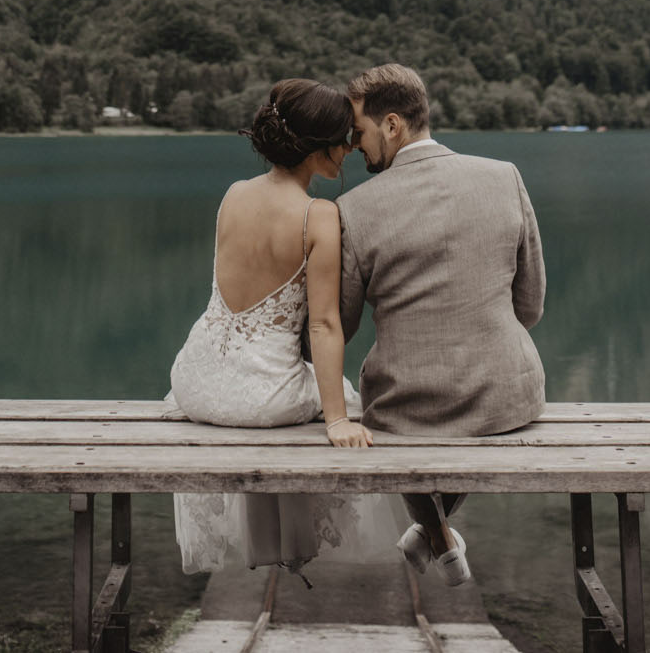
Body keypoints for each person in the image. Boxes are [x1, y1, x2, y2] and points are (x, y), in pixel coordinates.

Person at [167, 77, 399, 578]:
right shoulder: (318, 215)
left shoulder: (233, 194)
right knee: (354, 402)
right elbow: (323, 323)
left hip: (194, 382)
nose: (351, 148)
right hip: (261, 397)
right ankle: (301, 543)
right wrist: (337, 421)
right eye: (344, 139)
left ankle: (276, 543)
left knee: (308, 389)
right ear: (319, 148)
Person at [338, 63, 546, 587]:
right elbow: (531, 306)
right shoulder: (505, 177)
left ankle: (434, 535)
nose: (355, 146)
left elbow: (341, 323)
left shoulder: (352, 208)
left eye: (359, 132)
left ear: (391, 126)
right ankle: (437, 536)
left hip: (406, 402)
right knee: (472, 404)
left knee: (403, 416)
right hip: (506, 396)